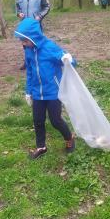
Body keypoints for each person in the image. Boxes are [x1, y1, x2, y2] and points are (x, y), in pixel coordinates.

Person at [15, 18, 75, 159]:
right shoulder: (29, 51)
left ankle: (69, 137)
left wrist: (68, 58)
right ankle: (41, 146)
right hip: (37, 93)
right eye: (21, 41)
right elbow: (29, 72)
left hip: (53, 92)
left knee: (55, 120)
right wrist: (28, 91)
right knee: (38, 120)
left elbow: (68, 61)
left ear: (33, 37)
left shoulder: (50, 47)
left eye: (25, 40)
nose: (23, 43)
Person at [16, 0, 50, 70]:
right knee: (25, 44)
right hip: (24, 24)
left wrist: (39, 16)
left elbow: (47, 7)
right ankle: (27, 62)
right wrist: (19, 13)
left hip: (35, 24)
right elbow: (17, 6)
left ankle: (38, 62)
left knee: (36, 43)